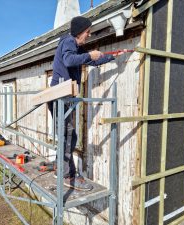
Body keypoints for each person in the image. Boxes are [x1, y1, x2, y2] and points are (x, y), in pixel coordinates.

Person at [49, 16, 123, 191]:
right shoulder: (68, 42)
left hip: (65, 96)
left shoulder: (75, 47)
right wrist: (90, 54)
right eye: (88, 32)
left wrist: (111, 57)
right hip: (60, 97)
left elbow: (90, 60)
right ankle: (67, 175)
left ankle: (60, 167)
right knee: (68, 136)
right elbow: (69, 60)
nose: (89, 35)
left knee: (68, 136)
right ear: (79, 31)